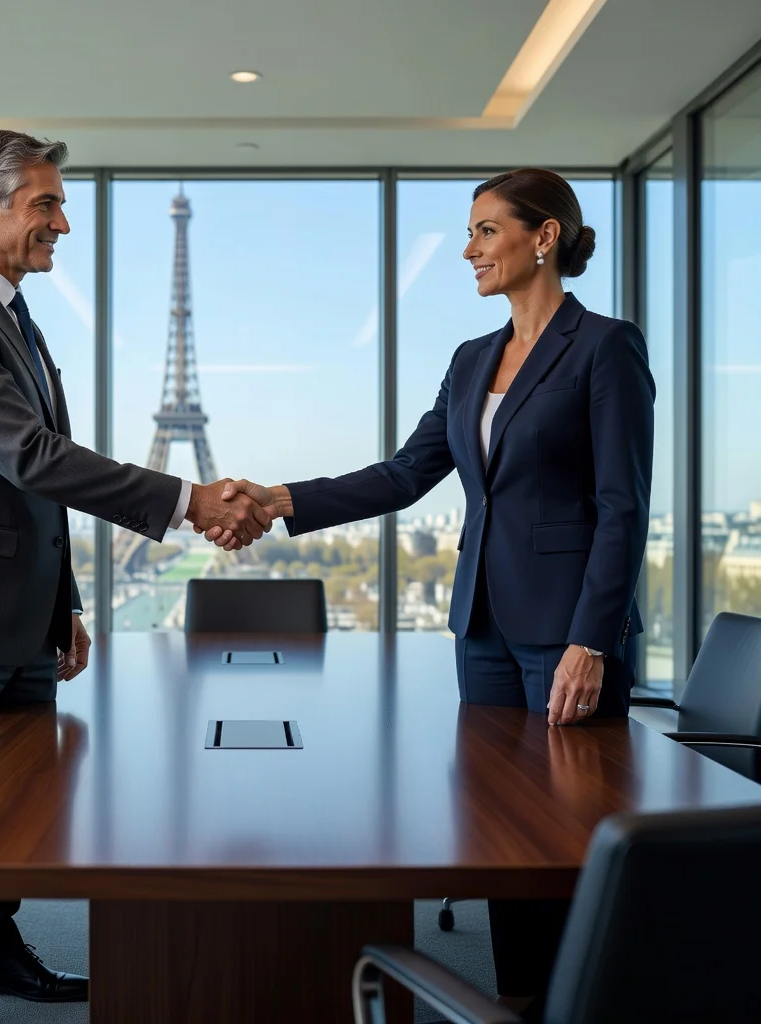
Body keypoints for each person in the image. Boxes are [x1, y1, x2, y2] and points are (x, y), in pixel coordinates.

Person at [207, 168, 655, 1019]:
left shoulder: (604, 346)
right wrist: (278, 499)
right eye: (470, 231)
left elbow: (622, 507)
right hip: (480, 625)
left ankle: (589, 999)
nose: (469, 248)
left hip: (567, 632)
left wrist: (592, 641)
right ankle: (522, 995)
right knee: (501, 832)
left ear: (545, 236)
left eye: (487, 230)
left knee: (565, 833)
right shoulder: (471, 358)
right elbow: (407, 475)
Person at [0, 129, 270, 1024]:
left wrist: (68, 601)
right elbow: (30, 456)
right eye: (46, 203)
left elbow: (28, 486)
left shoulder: (14, 316)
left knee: (8, 806)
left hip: (17, 611)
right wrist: (189, 499)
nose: (64, 223)